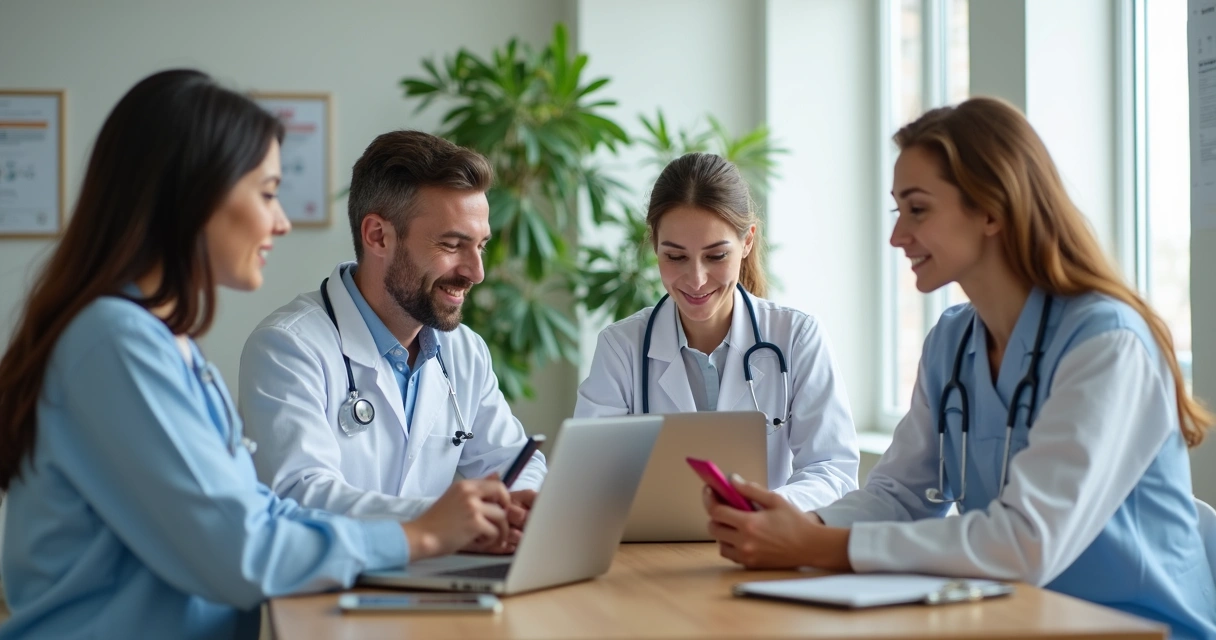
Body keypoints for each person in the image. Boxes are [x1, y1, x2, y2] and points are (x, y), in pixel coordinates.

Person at [0, 70, 514, 640]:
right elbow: (241, 554)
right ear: (192, 198)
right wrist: (420, 535)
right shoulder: (116, 344)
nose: (282, 220)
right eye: (267, 192)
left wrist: (440, 524)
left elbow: (260, 515)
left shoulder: (164, 344)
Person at [700, 97, 1216, 639]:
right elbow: (901, 494)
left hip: (1137, 629)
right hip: (1013, 620)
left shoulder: (1108, 345)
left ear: (992, 209)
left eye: (918, 210)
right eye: (898, 210)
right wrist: (799, 527)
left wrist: (821, 546)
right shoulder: (952, 340)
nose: (898, 236)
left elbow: (1026, 543)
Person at [238, 130, 545, 546]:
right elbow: (298, 494)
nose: (476, 272)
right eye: (452, 245)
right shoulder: (288, 347)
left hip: (435, 584)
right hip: (332, 595)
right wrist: (445, 520)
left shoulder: (465, 351)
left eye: (480, 246)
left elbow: (514, 462)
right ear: (378, 236)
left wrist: (522, 504)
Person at [574, 152, 859, 511]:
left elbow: (833, 471)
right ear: (655, 246)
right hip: (656, 553)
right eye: (675, 257)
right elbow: (588, 476)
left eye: (716, 256)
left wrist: (763, 507)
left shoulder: (797, 337)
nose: (695, 280)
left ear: (747, 242)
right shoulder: (622, 347)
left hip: (765, 546)